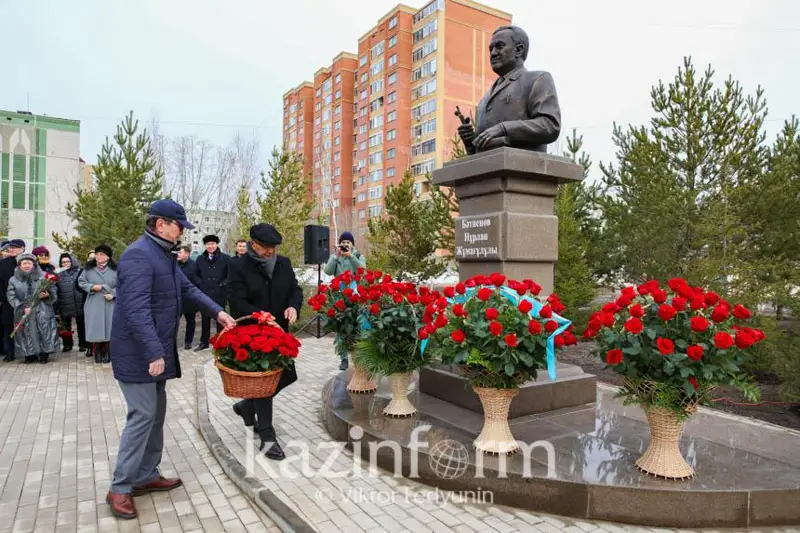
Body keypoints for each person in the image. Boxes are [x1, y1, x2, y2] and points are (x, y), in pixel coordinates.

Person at [106, 199, 235, 520]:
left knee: (156, 414)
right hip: (139, 354)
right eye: (179, 225)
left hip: (156, 352)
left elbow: (188, 289)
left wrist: (218, 313)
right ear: (160, 224)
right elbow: (135, 310)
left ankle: (146, 474)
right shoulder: (139, 255)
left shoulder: (162, 255)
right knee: (143, 414)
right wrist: (153, 352)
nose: (182, 232)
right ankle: (120, 487)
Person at [227, 223, 302, 461]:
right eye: (265, 247)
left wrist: (293, 305)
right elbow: (236, 302)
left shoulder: (284, 263)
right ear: (253, 244)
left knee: (288, 375)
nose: (270, 252)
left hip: (279, 331)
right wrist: (260, 315)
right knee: (264, 383)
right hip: (254, 334)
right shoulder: (237, 266)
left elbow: (295, 290)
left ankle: (247, 406)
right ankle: (267, 436)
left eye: (273, 247)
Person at [457, 25, 561, 154]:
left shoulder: (537, 80)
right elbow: (479, 153)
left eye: (499, 46)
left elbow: (550, 126)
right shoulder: (484, 100)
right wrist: (470, 142)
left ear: (518, 50)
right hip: (489, 169)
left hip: (522, 166)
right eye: (491, 49)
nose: (493, 53)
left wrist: (504, 128)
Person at [323, 231, 366, 370]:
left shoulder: (358, 256)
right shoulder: (335, 256)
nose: (345, 245)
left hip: (354, 293)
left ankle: (358, 355)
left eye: (348, 243)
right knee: (341, 326)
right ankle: (343, 358)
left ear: (352, 245)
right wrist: (335, 257)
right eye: (343, 243)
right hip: (339, 294)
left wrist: (351, 257)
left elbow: (362, 270)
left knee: (356, 323)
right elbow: (328, 271)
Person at [6, 253, 58, 364]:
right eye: (24, 263)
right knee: (26, 332)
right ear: (19, 265)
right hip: (24, 311)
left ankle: (44, 353)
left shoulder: (44, 276)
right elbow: (11, 296)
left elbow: (53, 291)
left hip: (42, 309)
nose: (27, 265)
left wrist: (47, 295)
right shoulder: (13, 280)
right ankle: (29, 354)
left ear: (34, 264)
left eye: (29, 263)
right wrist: (21, 306)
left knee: (44, 330)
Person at [78, 245, 117, 364]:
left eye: (102, 254)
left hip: (110, 303)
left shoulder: (116, 269)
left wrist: (114, 294)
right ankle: (98, 351)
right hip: (94, 301)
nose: (98, 257)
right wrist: (91, 287)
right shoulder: (88, 269)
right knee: (96, 328)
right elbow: (80, 282)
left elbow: (123, 285)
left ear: (108, 257)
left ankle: (108, 352)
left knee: (110, 328)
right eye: (97, 254)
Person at [193, 234, 230, 351]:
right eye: (208, 244)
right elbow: (195, 274)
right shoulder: (200, 259)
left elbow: (230, 275)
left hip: (219, 293)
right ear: (205, 245)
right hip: (205, 293)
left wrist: (223, 284)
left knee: (220, 320)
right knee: (205, 319)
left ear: (217, 244)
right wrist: (200, 284)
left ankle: (220, 343)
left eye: (213, 244)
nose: (211, 246)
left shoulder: (226, 258)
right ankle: (204, 342)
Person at [55, 253, 88, 353]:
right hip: (64, 302)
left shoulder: (79, 272)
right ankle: (67, 344)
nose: (65, 264)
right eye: (63, 262)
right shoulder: (58, 274)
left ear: (72, 261)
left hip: (79, 302)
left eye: (67, 261)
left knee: (81, 324)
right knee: (66, 325)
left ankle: (83, 344)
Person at [0, 239, 26, 361]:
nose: (11, 249)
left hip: (26, 302)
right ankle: (9, 352)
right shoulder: (2, 264)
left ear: (22, 248)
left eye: (14, 247)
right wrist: (4, 299)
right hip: (7, 302)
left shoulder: (28, 262)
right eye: (10, 247)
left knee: (26, 327)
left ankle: (28, 351)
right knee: (8, 326)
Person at [176, 245, 200, 349]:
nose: (178, 254)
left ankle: (188, 342)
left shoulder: (194, 266)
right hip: (177, 299)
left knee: (190, 321)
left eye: (180, 252)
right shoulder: (174, 265)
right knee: (174, 322)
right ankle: (172, 341)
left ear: (187, 254)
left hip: (190, 300)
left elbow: (197, 283)